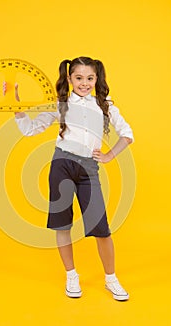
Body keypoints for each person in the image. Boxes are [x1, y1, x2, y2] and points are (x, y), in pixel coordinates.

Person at [10, 56, 134, 301]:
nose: (84, 83)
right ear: (69, 78)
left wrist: (109, 155)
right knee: (62, 224)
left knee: (101, 228)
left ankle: (111, 278)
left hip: (89, 169)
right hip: (61, 166)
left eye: (90, 78)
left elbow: (127, 134)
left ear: (97, 79)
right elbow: (30, 129)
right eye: (78, 78)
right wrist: (15, 104)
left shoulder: (105, 104)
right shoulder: (61, 103)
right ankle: (71, 276)